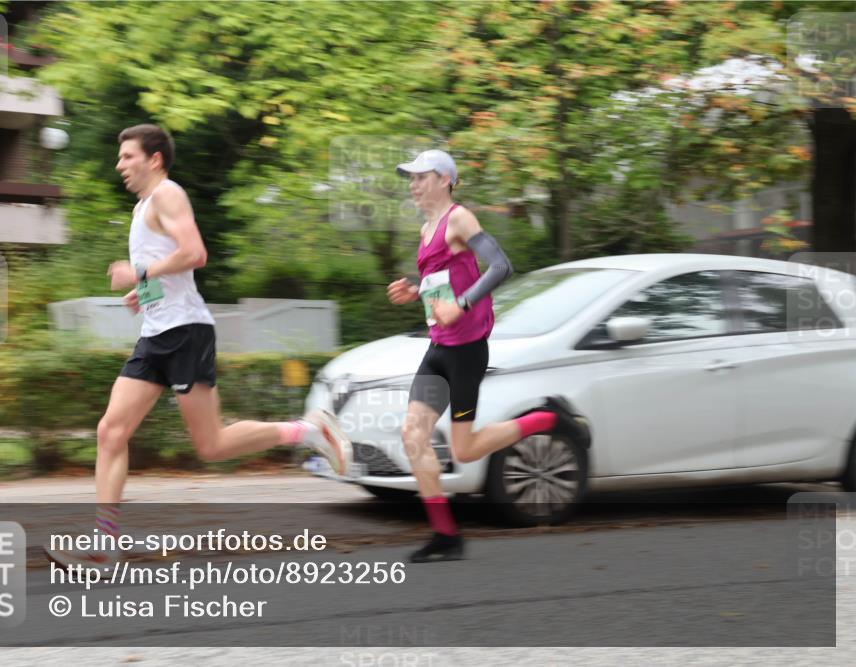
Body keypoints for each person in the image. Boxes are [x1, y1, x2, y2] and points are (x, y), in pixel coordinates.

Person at [45, 124, 351, 568]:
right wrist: (144, 294)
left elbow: (194, 253)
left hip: (187, 332)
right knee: (110, 431)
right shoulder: (143, 208)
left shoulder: (169, 194)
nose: (120, 164)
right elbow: (173, 272)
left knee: (211, 446)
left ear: (154, 159)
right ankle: (104, 545)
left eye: (127, 156)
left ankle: (308, 431)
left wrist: (139, 276)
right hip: (156, 335)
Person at [388, 150, 575, 563]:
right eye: (410, 179)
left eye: (420, 177)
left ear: (443, 178)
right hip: (437, 347)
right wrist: (416, 292)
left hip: (466, 350)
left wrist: (463, 306)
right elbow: (443, 280)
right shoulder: (426, 228)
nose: (413, 186)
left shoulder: (460, 218)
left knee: (466, 450)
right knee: (413, 436)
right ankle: (445, 535)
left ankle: (548, 419)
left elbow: (500, 266)